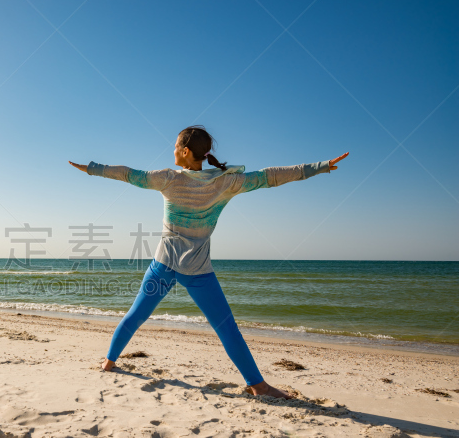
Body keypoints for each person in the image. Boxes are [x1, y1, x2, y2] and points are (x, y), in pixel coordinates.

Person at [69, 125, 349, 399]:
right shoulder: (226, 182)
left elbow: (129, 175)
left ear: (185, 150)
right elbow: (269, 177)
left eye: (176, 145)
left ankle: (108, 362)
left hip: (163, 264)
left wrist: (92, 168)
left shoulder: (168, 178)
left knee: (136, 315)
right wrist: (318, 167)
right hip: (197, 269)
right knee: (226, 327)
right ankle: (259, 386)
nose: (173, 149)